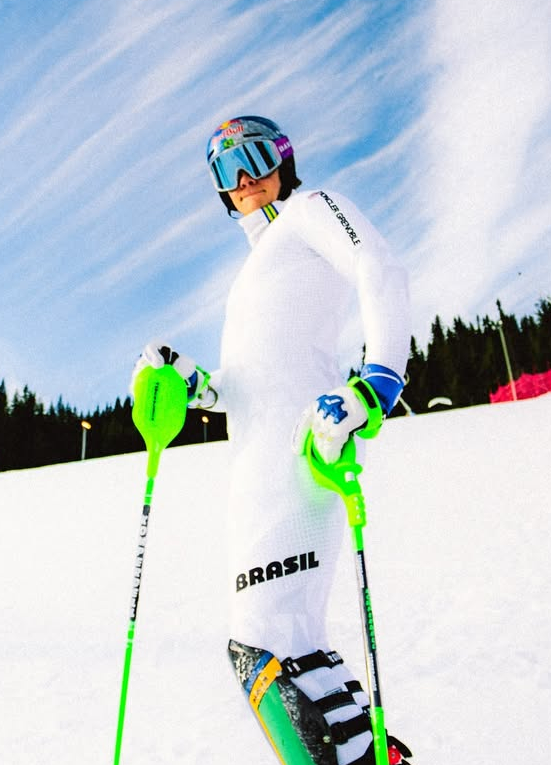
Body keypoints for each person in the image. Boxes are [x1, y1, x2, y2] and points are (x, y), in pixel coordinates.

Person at [134, 116, 413, 765]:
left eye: (253, 158)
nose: (243, 180)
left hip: (301, 450)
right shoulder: (259, 270)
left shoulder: (312, 211)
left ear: (284, 159)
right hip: (258, 470)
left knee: (263, 646)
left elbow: (381, 269)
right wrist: (190, 381)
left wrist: (375, 384)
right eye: (224, 173)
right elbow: (250, 384)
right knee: (290, 641)